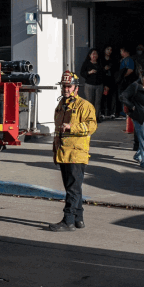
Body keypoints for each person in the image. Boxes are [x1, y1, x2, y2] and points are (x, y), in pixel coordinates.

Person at [48, 71, 98, 232]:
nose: (66, 89)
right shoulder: (61, 104)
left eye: (68, 86)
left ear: (76, 87)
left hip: (76, 154)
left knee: (72, 189)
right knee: (74, 188)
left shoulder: (84, 106)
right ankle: (78, 218)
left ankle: (68, 220)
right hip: (63, 153)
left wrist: (72, 127)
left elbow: (92, 126)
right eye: (63, 86)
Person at [120, 71, 144, 169]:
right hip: (141, 117)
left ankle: (138, 156)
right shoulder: (135, 86)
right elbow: (122, 96)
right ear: (141, 77)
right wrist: (131, 106)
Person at [116, 47, 138, 114]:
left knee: (124, 96)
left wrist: (122, 76)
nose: (121, 53)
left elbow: (130, 70)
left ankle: (125, 111)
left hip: (126, 82)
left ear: (126, 52)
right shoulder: (124, 60)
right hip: (124, 82)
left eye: (122, 51)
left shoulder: (129, 60)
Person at [100, 46, 118, 120]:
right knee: (103, 97)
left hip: (112, 80)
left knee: (112, 97)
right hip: (102, 80)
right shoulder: (101, 60)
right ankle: (102, 113)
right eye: (108, 49)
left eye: (111, 50)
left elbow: (116, 70)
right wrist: (104, 69)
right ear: (104, 50)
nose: (109, 51)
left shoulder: (113, 60)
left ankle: (112, 113)